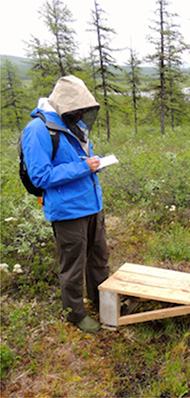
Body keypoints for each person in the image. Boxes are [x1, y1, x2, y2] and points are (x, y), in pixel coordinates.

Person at [21, 75, 110, 333]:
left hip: (92, 205)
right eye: (78, 109)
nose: (82, 113)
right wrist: (83, 168)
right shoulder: (38, 130)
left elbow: (82, 159)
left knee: (100, 258)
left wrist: (95, 163)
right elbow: (41, 176)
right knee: (72, 264)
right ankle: (75, 314)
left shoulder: (74, 124)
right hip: (67, 211)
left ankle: (100, 298)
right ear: (64, 104)